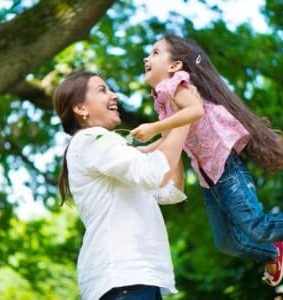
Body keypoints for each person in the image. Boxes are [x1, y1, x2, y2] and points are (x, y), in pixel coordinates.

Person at [130, 34, 283, 286]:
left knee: (258, 226)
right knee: (226, 241)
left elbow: (195, 111)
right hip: (209, 179)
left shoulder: (175, 85)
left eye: (156, 52)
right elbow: (170, 139)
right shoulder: (163, 102)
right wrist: (143, 150)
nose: (147, 57)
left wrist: (153, 127)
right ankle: (273, 251)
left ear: (175, 66)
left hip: (226, 167)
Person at [53, 70, 197, 299]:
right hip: (123, 279)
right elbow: (151, 171)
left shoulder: (110, 153)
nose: (115, 96)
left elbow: (170, 190)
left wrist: (176, 123)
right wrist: (184, 118)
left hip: (135, 279)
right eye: (103, 90)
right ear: (81, 108)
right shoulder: (93, 139)